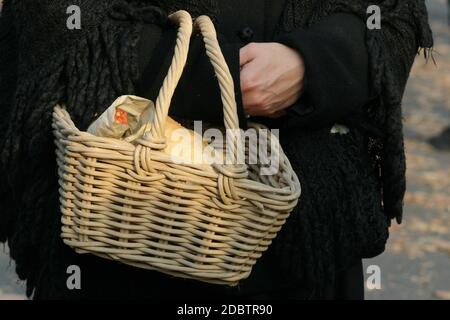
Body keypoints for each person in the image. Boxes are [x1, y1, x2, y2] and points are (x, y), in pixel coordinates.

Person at [0, 0, 433, 299]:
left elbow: (390, 16)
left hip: (313, 247)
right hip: (127, 241)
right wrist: (221, 78)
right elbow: (62, 21)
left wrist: (310, 67)